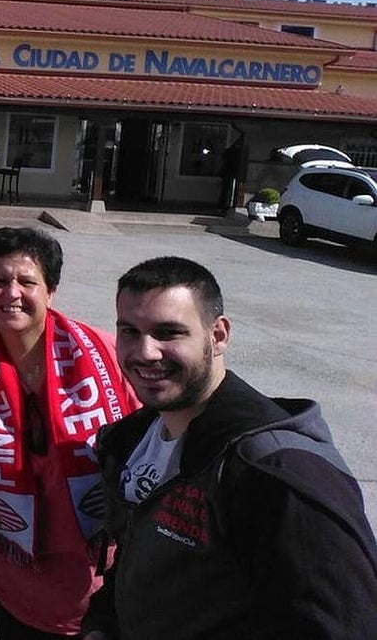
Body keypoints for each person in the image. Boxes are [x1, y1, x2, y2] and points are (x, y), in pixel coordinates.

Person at [81, 256, 377, 639]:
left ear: (218, 335)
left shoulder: (279, 472)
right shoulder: (134, 440)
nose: (145, 352)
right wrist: (101, 627)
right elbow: (134, 561)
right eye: (130, 332)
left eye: (168, 333)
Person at [0, 227, 138, 638]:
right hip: (15, 587)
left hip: (104, 586)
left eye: (27, 282)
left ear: (51, 291)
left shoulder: (107, 354)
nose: (12, 293)